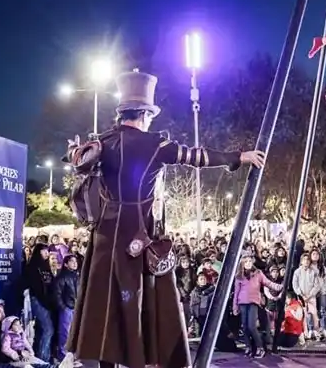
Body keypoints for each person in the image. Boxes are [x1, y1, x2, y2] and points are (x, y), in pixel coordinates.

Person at [61, 69, 266, 368]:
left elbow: (77, 159)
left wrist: (72, 150)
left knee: (104, 312)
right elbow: (197, 157)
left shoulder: (102, 142)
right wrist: (238, 156)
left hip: (105, 239)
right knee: (139, 308)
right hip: (138, 237)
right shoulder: (155, 144)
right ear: (144, 113)